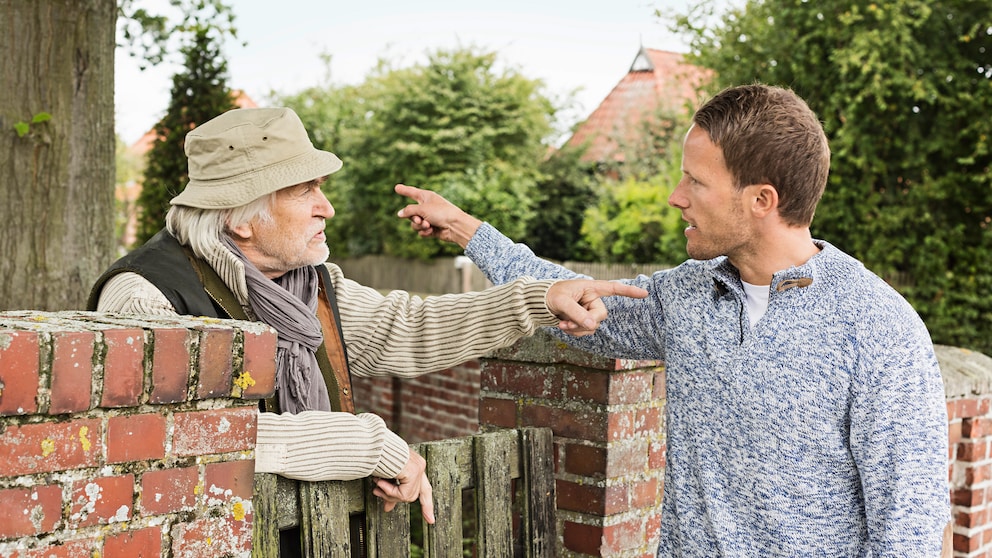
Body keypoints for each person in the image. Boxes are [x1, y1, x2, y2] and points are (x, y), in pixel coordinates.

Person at [395, 84, 950, 556]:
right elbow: (573, 295)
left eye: (696, 182)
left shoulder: (879, 330)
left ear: (761, 199)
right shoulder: (685, 294)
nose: (674, 197)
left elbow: (910, 528)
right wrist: (468, 229)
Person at [87, 107, 646, 553]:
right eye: (304, 191)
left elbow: (409, 327)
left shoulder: (310, 285)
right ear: (238, 216)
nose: (326, 207)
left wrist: (537, 299)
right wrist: (370, 445)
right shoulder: (146, 295)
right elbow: (177, 434)